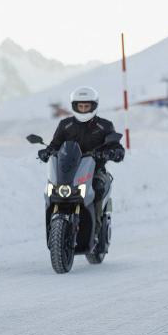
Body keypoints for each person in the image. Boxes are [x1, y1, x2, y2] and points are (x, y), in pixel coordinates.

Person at [38, 86, 124, 242]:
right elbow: (55, 145)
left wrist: (114, 152)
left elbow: (116, 146)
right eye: (80, 106)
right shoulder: (65, 125)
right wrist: (46, 151)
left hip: (95, 171)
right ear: (74, 106)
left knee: (98, 187)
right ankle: (53, 230)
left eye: (86, 106)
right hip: (68, 171)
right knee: (52, 190)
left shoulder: (104, 126)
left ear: (94, 106)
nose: (83, 109)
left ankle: (96, 231)